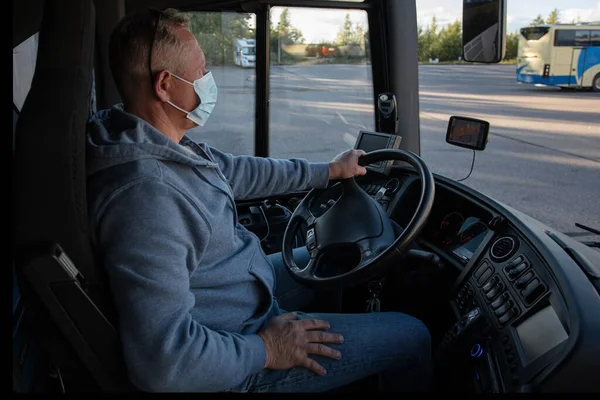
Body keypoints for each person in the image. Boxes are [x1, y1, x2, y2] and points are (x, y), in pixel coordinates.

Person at [86, 7, 432, 393]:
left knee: (332, 259)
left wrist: (329, 171)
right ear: (165, 85)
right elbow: (164, 363)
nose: (207, 80)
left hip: (237, 296)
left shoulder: (150, 140)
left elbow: (238, 171)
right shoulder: (146, 198)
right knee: (413, 335)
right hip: (236, 357)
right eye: (201, 72)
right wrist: (266, 349)